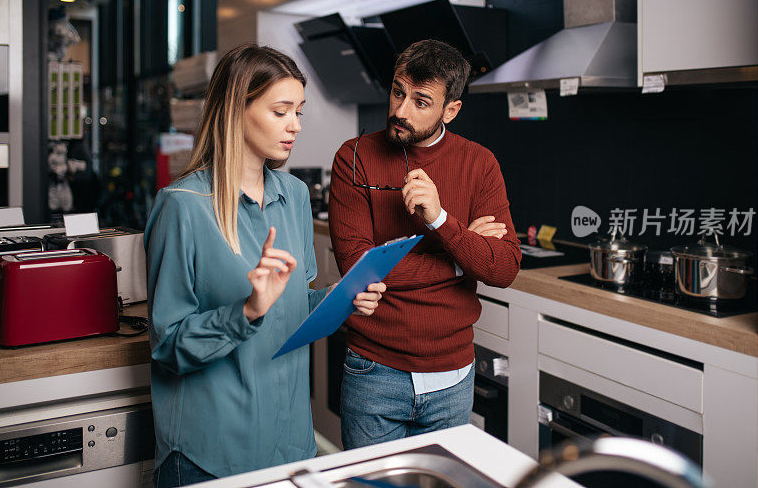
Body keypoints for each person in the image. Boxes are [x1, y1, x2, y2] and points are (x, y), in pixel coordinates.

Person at [145, 43, 386, 487]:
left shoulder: (294, 195)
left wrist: (340, 298)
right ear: (236, 110)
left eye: (300, 111)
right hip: (212, 452)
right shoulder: (183, 207)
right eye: (281, 111)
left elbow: (294, 307)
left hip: (291, 442)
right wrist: (246, 312)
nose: (295, 126)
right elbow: (167, 348)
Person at [328, 39, 522, 449]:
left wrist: (440, 220)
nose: (400, 110)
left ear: (450, 110)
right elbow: (359, 267)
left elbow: (503, 269)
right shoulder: (355, 156)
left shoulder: (480, 163)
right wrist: (462, 258)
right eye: (398, 92)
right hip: (373, 369)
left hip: (453, 376)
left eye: (420, 101)